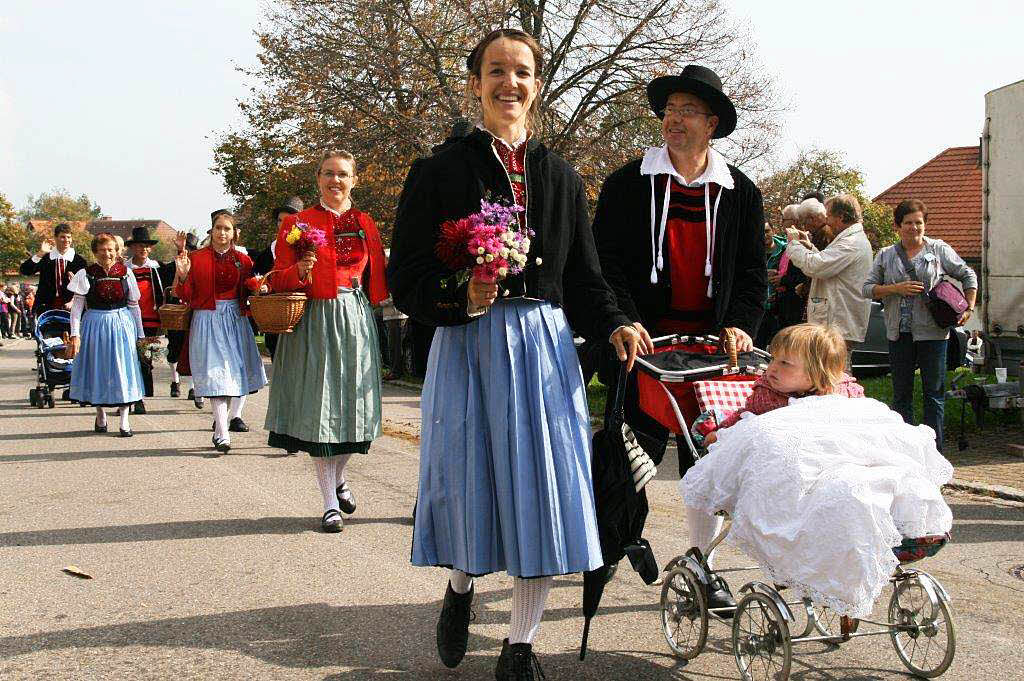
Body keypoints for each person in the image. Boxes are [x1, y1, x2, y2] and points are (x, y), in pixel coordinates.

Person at [388, 29, 643, 679]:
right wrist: (462, 292)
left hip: (543, 350)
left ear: (537, 83)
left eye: (522, 71)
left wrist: (614, 323)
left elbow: (585, 279)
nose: (510, 82)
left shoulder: (560, 176)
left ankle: (520, 645)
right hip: (467, 344)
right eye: (496, 70)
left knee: (546, 499)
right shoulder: (440, 171)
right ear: (477, 82)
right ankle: (461, 587)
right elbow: (406, 278)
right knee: (471, 488)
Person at [680, 323, 952, 622]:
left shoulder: (848, 394)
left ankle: (899, 523)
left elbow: (859, 429)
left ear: (818, 372)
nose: (771, 369)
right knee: (811, 480)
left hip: (841, 458)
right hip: (793, 467)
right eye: (772, 359)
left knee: (875, 475)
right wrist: (720, 434)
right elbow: (747, 426)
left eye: (784, 363)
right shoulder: (765, 394)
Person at [591, 64, 767, 481]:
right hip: (643, 348)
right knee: (628, 463)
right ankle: (615, 543)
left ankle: (700, 548)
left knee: (708, 466)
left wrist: (741, 324)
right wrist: (624, 319)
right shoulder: (628, 184)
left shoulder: (739, 192)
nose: (673, 118)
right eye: (670, 108)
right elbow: (605, 263)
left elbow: (752, 273)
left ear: (711, 124)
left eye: (687, 109)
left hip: (710, 353)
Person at [264, 150, 388, 527]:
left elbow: (378, 275)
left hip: (354, 316)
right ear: (318, 179)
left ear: (355, 180)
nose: (336, 181)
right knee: (320, 407)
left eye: (343, 174)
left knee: (354, 403)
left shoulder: (365, 222)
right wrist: (298, 270)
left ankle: (339, 477)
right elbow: (277, 277)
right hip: (314, 319)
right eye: (328, 174)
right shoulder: (298, 223)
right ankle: (328, 502)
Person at [863, 199, 977, 452]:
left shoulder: (938, 249)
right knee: (901, 394)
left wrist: (968, 307)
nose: (914, 228)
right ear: (897, 226)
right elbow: (867, 288)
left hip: (933, 332)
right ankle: (905, 450)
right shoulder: (885, 254)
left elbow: (968, 274)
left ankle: (934, 450)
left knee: (933, 394)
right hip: (898, 332)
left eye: (919, 223)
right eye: (908, 223)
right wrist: (896, 289)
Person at [173, 211, 267, 454]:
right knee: (216, 376)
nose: (222, 233)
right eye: (218, 228)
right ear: (211, 231)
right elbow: (184, 294)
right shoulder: (196, 258)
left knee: (232, 377)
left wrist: (261, 288)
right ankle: (223, 432)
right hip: (207, 320)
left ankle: (221, 428)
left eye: (226, 228)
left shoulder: (243, 261)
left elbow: (250, 290)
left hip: (235, 321)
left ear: (234, 233)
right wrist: (182, 275)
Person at [66, 233, 150, 436]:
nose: (108, 253)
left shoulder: (125, 273)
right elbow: (77, 308)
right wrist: (75, 335)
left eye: (111, 249)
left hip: (122, 324)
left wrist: (141, 335)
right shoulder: (86, 274)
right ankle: (101, 413)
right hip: (95, 324)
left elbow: (134, 306)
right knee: (99, 368)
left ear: (117, 251)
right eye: (103, 250)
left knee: (123, 368)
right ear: (95, 252)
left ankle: (124, 421)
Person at [784, 194, 872, 370]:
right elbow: (826, 263)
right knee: (829, 373)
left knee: (835, 375)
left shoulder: (851, 243)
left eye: (829, 215)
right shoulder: (848, 239)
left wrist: (793, 244)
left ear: (841, 217)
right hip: (836, 321)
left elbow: (816, 266)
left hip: (838, 323)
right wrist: (808, 246)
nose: (826, 220)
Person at [124, 226, 180, 414]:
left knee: (144, 358)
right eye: (140, 246)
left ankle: (140, 397)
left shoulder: (157, 268)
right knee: (128, 358)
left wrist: (181, 250)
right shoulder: (125, 269)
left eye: (146, 246)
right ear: (132, 248)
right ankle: (128, 396)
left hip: (150, 321)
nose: (143, 249)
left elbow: (179, 268)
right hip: (127, 319)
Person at [251, 197, 304, 362]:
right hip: (274, 318)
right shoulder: (267, 254)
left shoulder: (307, 249)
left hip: (301, 316)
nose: (283, 224)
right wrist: (261, 287)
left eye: (289, 220)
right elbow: (256, 279)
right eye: (280, 220)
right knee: (278, 360)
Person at [165, 232, 202, 406]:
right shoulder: (173, 265)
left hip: (194, 311)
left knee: (193, 349)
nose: (188, 252)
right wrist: (180, 272)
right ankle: (175, 380)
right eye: (185, 248)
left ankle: (194, 388)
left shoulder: (200, 265)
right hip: (177, 312)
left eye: (190, 249)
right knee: (174, 348)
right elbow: (173, 291)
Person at [20, 223, 87, 314]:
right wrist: (40, 253)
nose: (66, 240)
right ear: (55, 238)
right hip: (46, 306)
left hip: (71, 307)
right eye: (62, 237)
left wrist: (73, 301)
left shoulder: (79, 261)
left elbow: (84, 287)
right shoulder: (46, 258)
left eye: (69, 237)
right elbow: (25, 271)